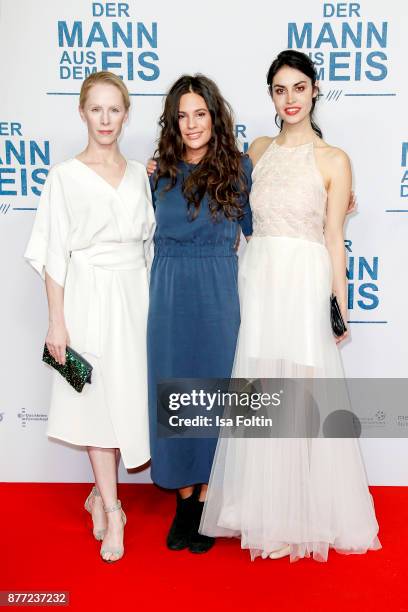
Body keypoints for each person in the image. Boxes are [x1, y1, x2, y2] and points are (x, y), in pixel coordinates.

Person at [200, 50, 381, 562]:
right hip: (258, 278)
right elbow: (216, 188)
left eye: (299, 87)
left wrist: (337, 306)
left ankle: (304, 509)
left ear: (315, 90)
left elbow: (334, 240)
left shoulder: (334, 159)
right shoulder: (256, 150)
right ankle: (261, 506)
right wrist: (154, 167)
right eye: (280, 90)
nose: (290, 99)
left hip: (304, 282)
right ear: (272, 97)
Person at [24, 71, 155, 563]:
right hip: (86, 297)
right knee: (98, 403)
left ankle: (99, 496)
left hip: (135, 296)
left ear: (126, 114)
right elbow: (54, 255)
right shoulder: (64, 175)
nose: (105, 119)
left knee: (126, 399)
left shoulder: (143, 174)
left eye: (114, 109)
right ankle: (115, 508)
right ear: (82, 112)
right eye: (96, 109)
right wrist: (57, 322)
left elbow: (151, 245)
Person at [147, 74, 252, 553]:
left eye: (200, 114)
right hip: (169, 294)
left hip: (217, 292)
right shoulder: (157, 174)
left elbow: (265, 225)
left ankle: (208, 497)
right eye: (182, 115)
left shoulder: (239, 168)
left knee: (213, 393)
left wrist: (335, 205)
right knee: (174, 391)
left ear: (215, 116)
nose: (191, 124)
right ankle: (184, 501)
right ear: (173, 122)